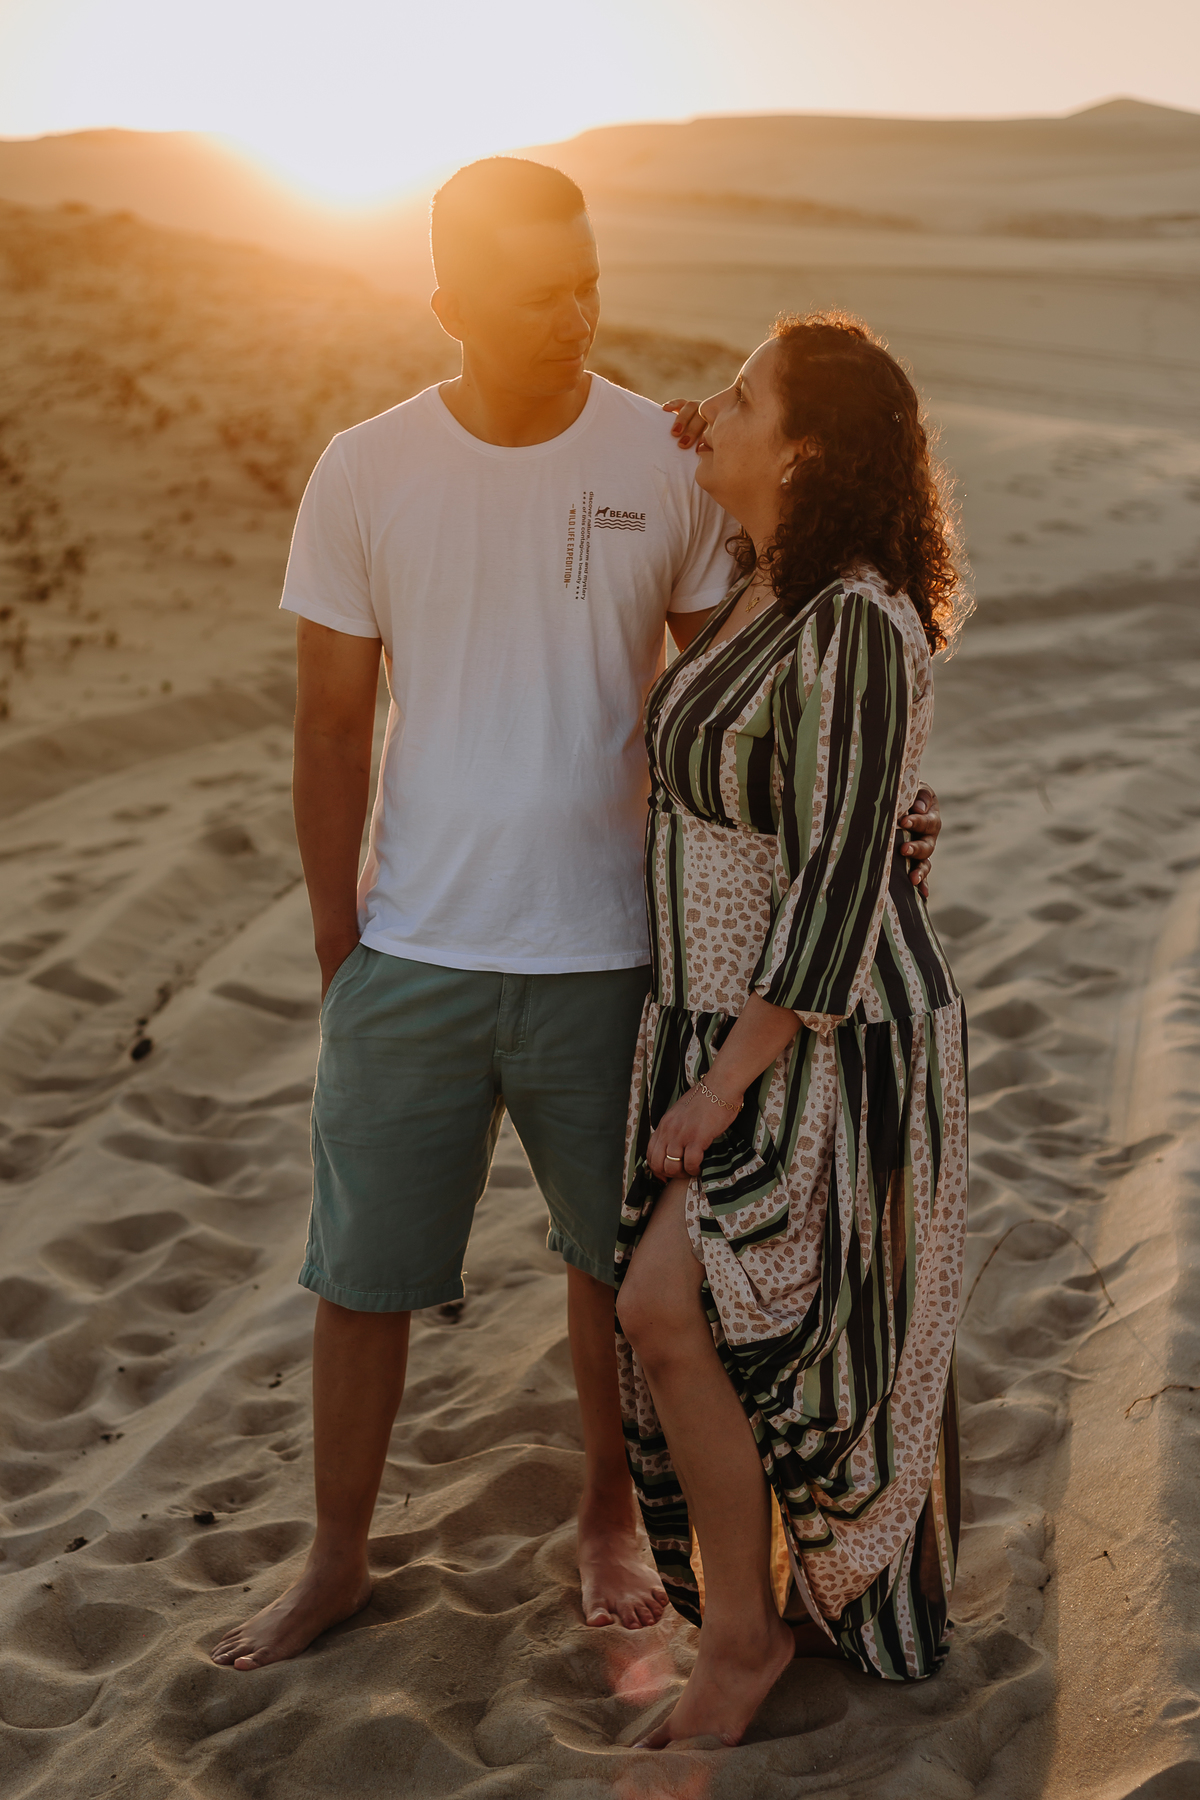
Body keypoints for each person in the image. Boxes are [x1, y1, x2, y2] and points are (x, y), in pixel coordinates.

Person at [209, 163, 942, 1672]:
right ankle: (335, 1558)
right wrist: (344, 950)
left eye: (588, 278)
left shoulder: (660, 461)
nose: (578, 312)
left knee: (606, 1269)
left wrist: (879, 808)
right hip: (411, 947)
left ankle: (608, 1520)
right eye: (540, 291)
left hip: (619, 955)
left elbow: (750, 692)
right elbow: (330, 729)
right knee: (359, 1274)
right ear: (448, 302)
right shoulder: (364, 469)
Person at [614, 313, 970, 1749]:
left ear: (810, 450)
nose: (717, 407)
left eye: (748, 398)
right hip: (718, 1017)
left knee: (672, 1307)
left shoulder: (861, 619)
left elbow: (835, 887)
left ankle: (746, 1641)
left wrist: (717, 1089)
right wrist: (700, 427)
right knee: (714, 1324)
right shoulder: (769, 585)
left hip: (822, 1037)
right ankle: (763, 1615)